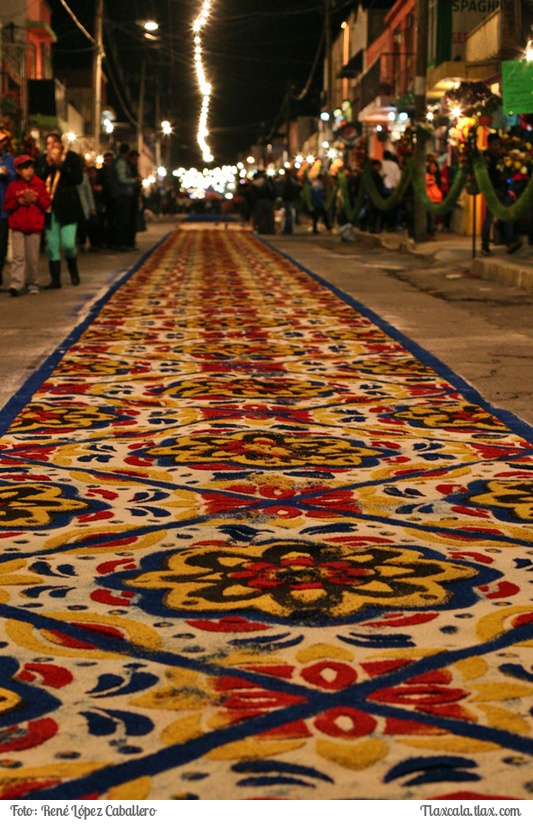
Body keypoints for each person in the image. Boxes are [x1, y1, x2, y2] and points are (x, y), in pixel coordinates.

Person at [36, 132, 84, 288]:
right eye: (48, 143)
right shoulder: (43, 160)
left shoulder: (71, 158)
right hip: (50, 208)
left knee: (69, 244)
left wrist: (61, 166)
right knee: (52, 245)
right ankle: (55, 279)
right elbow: (38, 179)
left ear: (61, 144)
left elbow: (78, 179)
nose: (51, 146)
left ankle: (74, 271)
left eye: (54, 143)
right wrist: (49, 167)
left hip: (68, 206)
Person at [3, 155, 51, 296]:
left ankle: (32, 282)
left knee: (32, 257)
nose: (29, 171)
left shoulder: (39, 184)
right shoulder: (13, 187)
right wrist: (18, 201)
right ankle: (17, 283)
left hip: (34, 226)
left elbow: (47, 204)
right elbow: (7, 206)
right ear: (18, 170)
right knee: (18, 257)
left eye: (31, 168)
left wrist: (36, 199)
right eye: (25, 169)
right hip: (17, 226)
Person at [481, 133, 521, 256]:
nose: (497, 146)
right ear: (489, 144)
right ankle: (485, 246)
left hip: (503, 189)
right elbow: (487, 174)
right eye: (495, 144)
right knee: (489, 219)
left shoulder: (501, 156)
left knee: (507, 215)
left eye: (498, 144)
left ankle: (510, 242)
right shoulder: (486, 157)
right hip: (492, 191)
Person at [108, 143, 138, 251]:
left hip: (121, 195)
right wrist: (135, 180)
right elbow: (121, 178)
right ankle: (121, 244)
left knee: (122, 220)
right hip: (121, 195)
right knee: (122, 220)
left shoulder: (121, 161)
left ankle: (121, 243)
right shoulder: (121, 162)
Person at [0, 129, 16, 289]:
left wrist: (6, 172)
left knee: (2, 244)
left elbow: (14, 179)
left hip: (3, 209)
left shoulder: (9, 159)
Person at [426, 157, 443, 240]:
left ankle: (431, 233)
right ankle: (430, 234)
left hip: (437, 199)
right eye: (431, 166)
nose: (433, 168)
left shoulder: (438, 176)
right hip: (430, 199)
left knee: (433, 218)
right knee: (431, 218)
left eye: (434, 166)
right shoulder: (427, 176)